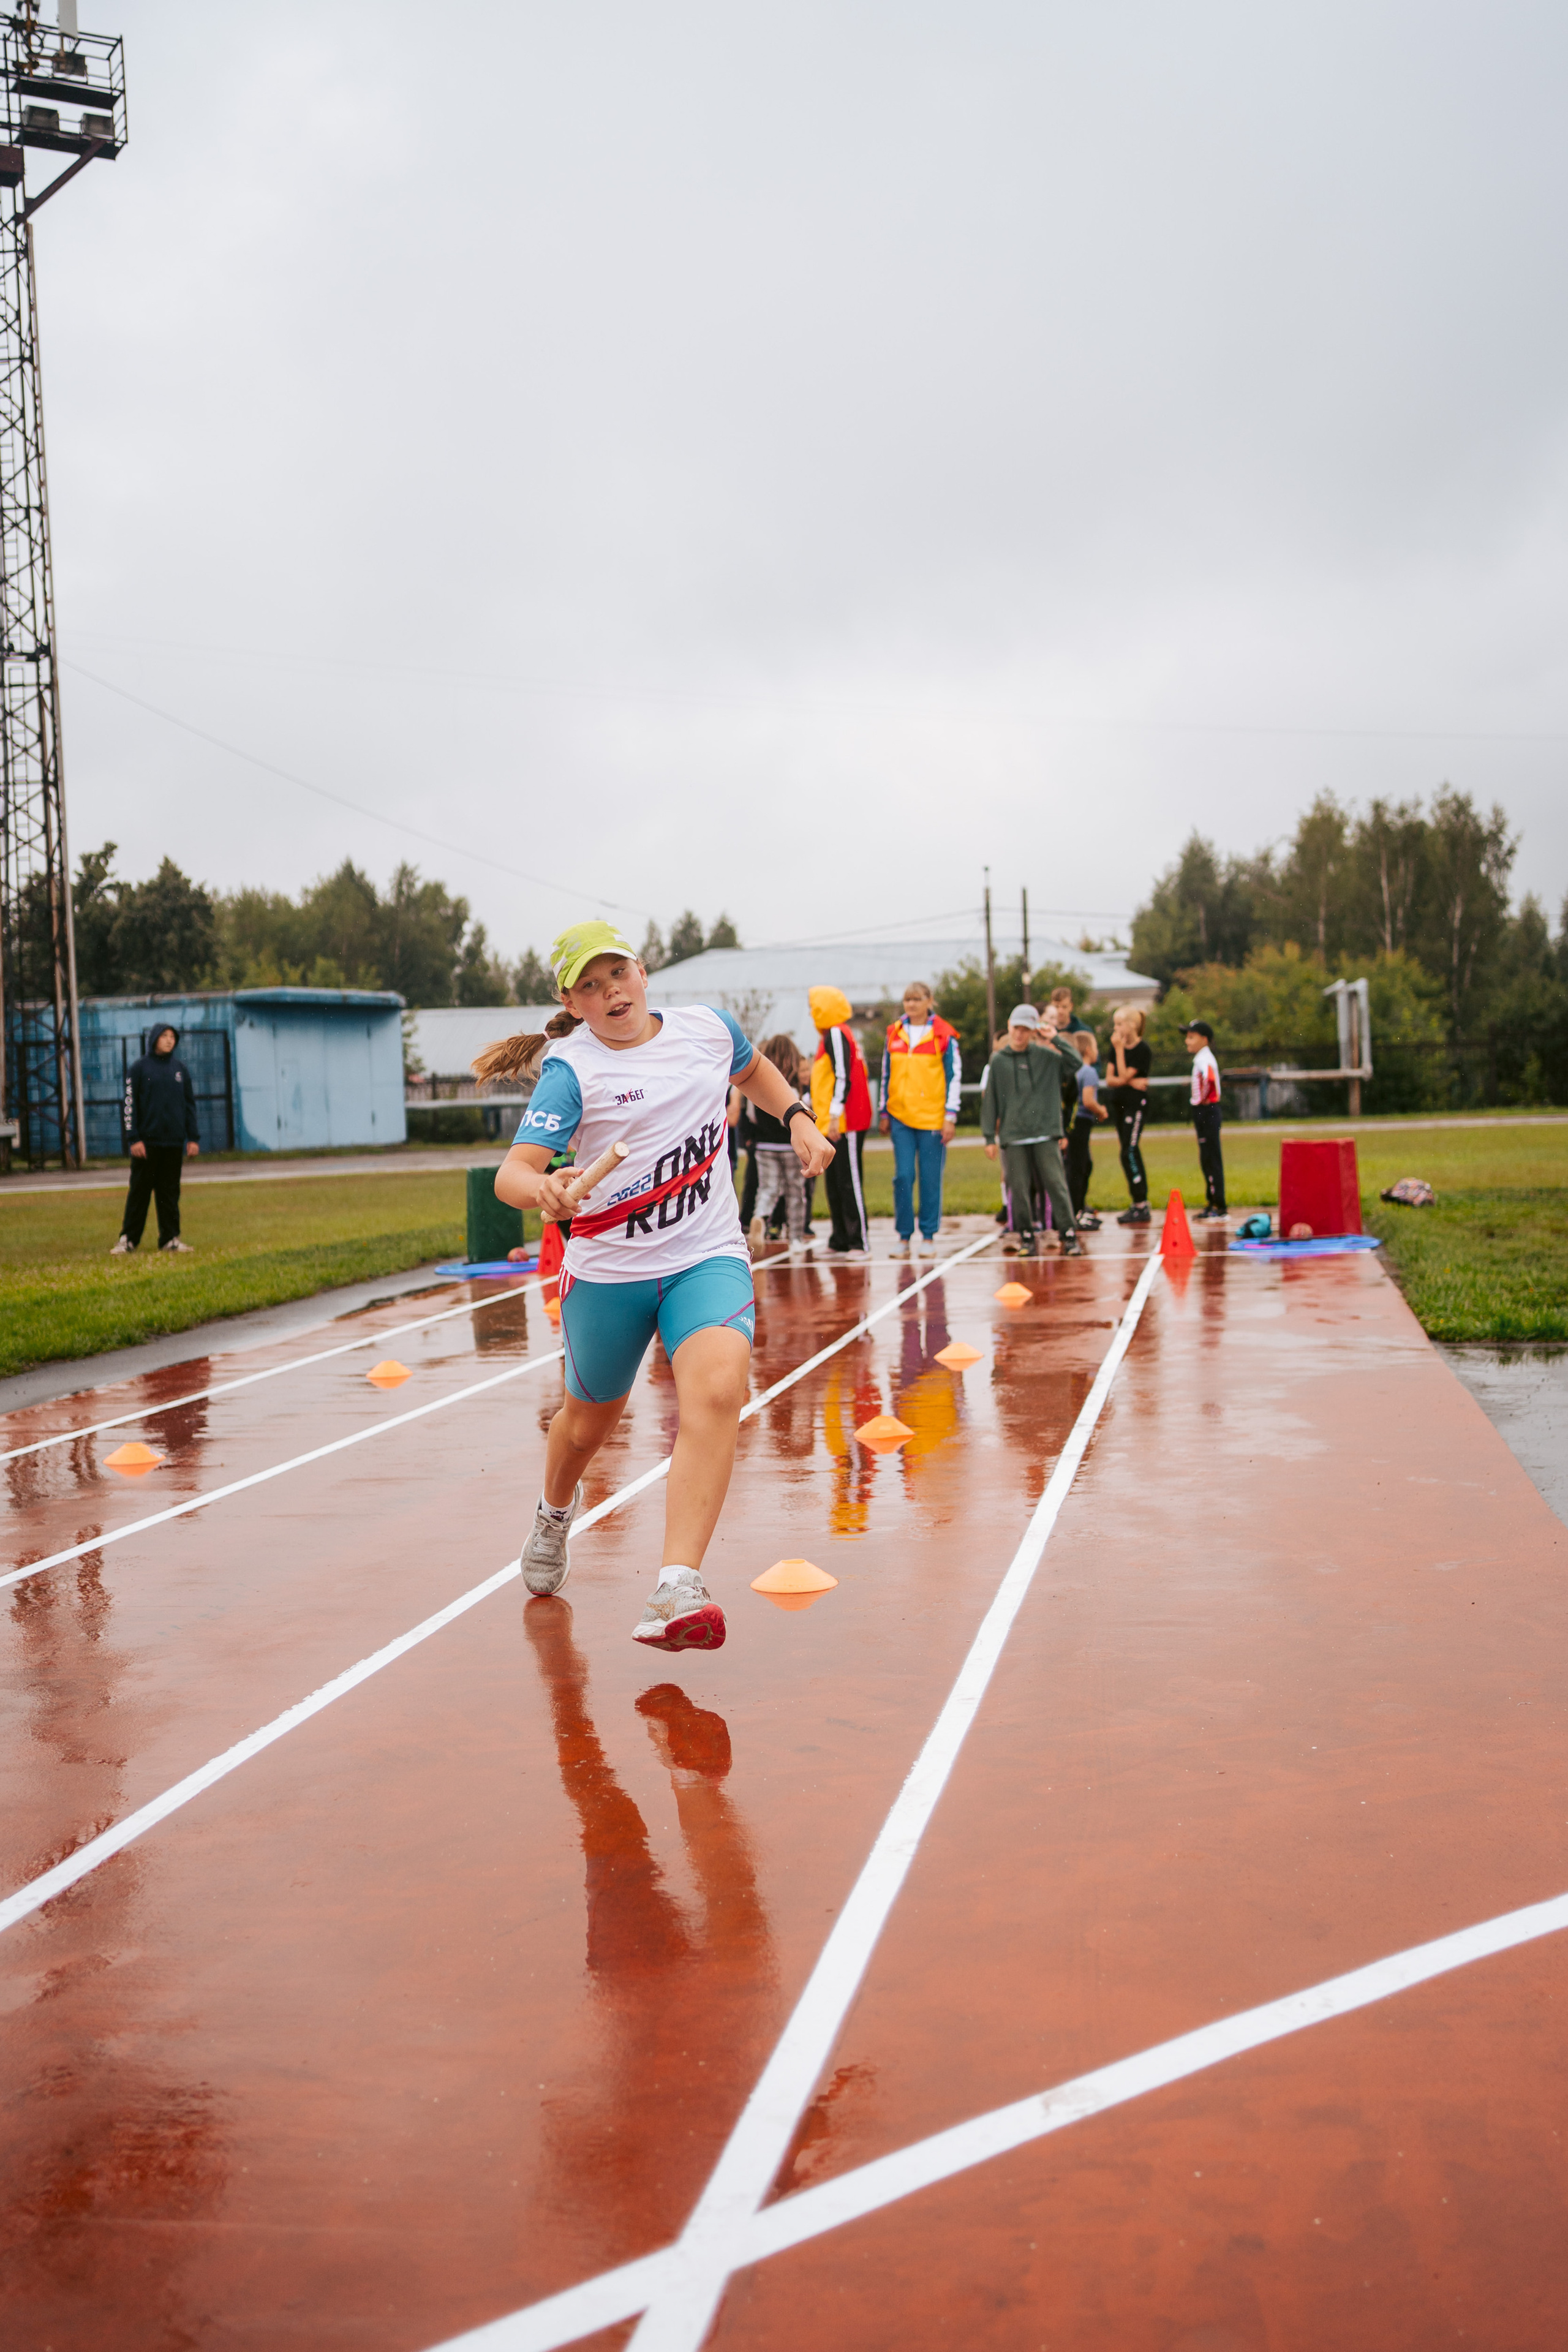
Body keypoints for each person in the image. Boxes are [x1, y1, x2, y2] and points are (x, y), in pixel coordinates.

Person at [484, 921, 833, 1650]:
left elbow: (753, 1073)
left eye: (619, 974)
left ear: (643, 973)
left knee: (716, 1390)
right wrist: (544, 1189)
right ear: (572, 1001)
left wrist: (797, 1115)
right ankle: (554, 1512)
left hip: (705, 1255)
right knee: (587, 1425)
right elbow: (510, 1174)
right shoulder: (571, 1071)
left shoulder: (708, 1030)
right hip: (610, 1274)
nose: (610, 991)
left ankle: (677, 1586)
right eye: (590, 984)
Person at [979, 1003, 1084, 1257]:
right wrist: (988, 1137)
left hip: (1045, 1132)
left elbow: (1076, 1063)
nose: (1019, 1034)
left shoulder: (1046, 1057)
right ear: (1009, 1026)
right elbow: (990, 1099)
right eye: (1016, 1028)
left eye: (1026, 1030)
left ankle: (1068, 1234)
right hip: (1013, 1135)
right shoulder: (999, 1061)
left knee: (1056, 1184)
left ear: (1034, 1031)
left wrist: (1055, 1038)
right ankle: (1026, 1235)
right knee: (1019, 1187)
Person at [878, 981, 960, 1260]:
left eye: (917, 999)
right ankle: (903, 1236)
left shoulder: (944, 1034)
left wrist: (951, 1115)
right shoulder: (894, 1032)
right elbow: (886, 1073)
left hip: (933, 1119)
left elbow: (954, 1076)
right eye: (907, 999)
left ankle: (928, 1235)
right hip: (900, 1116)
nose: (911, 1004)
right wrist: (884, 1111)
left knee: (929, 1178)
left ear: (929, 1001)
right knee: (903, 1175)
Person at [109, 1024, 200, 1256]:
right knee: (140, 1192)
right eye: (165, 1036)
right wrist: (134, 1138)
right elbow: (129, 1105)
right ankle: (128, 1239)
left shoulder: (180, 1070)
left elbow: (189, 1105)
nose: (169, 1041)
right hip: (146, 1145)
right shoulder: (139, 1068)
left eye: (173, 1037)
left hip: (173, 1143)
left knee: (169, 1192)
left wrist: (192, 1138)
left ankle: (170, 1238)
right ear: (154, 1040)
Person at [809, 986, 873, 1260]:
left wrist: (835, 1114)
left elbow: (843, 1075)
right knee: (834, 1180)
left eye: (814, 1008)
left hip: (845, 1121)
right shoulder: (832, 1035)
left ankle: (858, 1241)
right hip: (831, 1122)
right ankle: (840, 1238)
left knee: (849, 1180)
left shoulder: (836, 1032)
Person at [745, 1032, 814, 1256]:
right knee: (795, 1191)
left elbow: (751, 1116)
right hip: (790, 1146)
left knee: (768, 1189)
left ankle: (760, 1216)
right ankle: (795, 1237)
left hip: (764, 1145)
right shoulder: (791, 1087)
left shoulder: (759, 1083)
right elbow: (799, 1115)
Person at [1102, 1003, 1152, 1227]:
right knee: (1125, 1152)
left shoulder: (1142, 1051)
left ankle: (1141, 1203)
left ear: (1132, 1025)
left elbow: (1122, 1075)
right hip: (1120, 1104)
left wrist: (1121, 1052)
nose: (1116, 1029)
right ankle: (1137, 1202)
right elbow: (1112, 1080)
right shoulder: (1115, 1048)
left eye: (1120, 1024)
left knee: (1129, 1151)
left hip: (1135, 1106)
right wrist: (1131, 1081)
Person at [1065, 1028, 1109, 1227]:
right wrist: (1101, 1111)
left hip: (1072, 1124)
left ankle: (1077, 1209)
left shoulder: (1074, 1070)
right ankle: (1076, 1212)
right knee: (1079, 1167)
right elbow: (1088, 1100)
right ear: (1089, 1050)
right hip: (1081, 1122)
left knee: (1081, 1165)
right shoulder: (1089, 1071)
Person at [1185, 1019, 1227, 1220]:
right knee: (1207, 1158)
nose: (1187, 1041)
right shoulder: (1201, 1058)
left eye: (1191, 1037)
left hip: (1207, 1111)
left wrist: (1201, 1101)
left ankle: (1217, 1204)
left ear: (1204, 1039)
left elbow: (1209, 1080)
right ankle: (1213, 1201)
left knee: (1210, 1158)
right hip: (1206, 1110)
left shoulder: (1204, 1059)